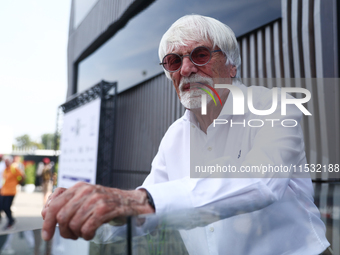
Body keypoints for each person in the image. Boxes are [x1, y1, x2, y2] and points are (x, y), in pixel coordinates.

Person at [42, 15, 329, 254]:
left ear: (232, 66)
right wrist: (84, 212)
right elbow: (144, 214)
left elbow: (262, 182)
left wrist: (137, 201)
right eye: (173, 61)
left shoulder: (274, 106)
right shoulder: (174, 137)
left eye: (200, 54)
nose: (187, 68)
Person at [1, 155, 25, 230]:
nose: (6, 163)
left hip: (11, 191)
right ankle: (10, 220)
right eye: (5, 161)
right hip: (4, 191)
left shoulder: (14, 168)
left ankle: (11, 221)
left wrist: (18, 182)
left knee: (6, 207)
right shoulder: (5, 169)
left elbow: (22, 176)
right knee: (1, 206)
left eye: (7, 161)